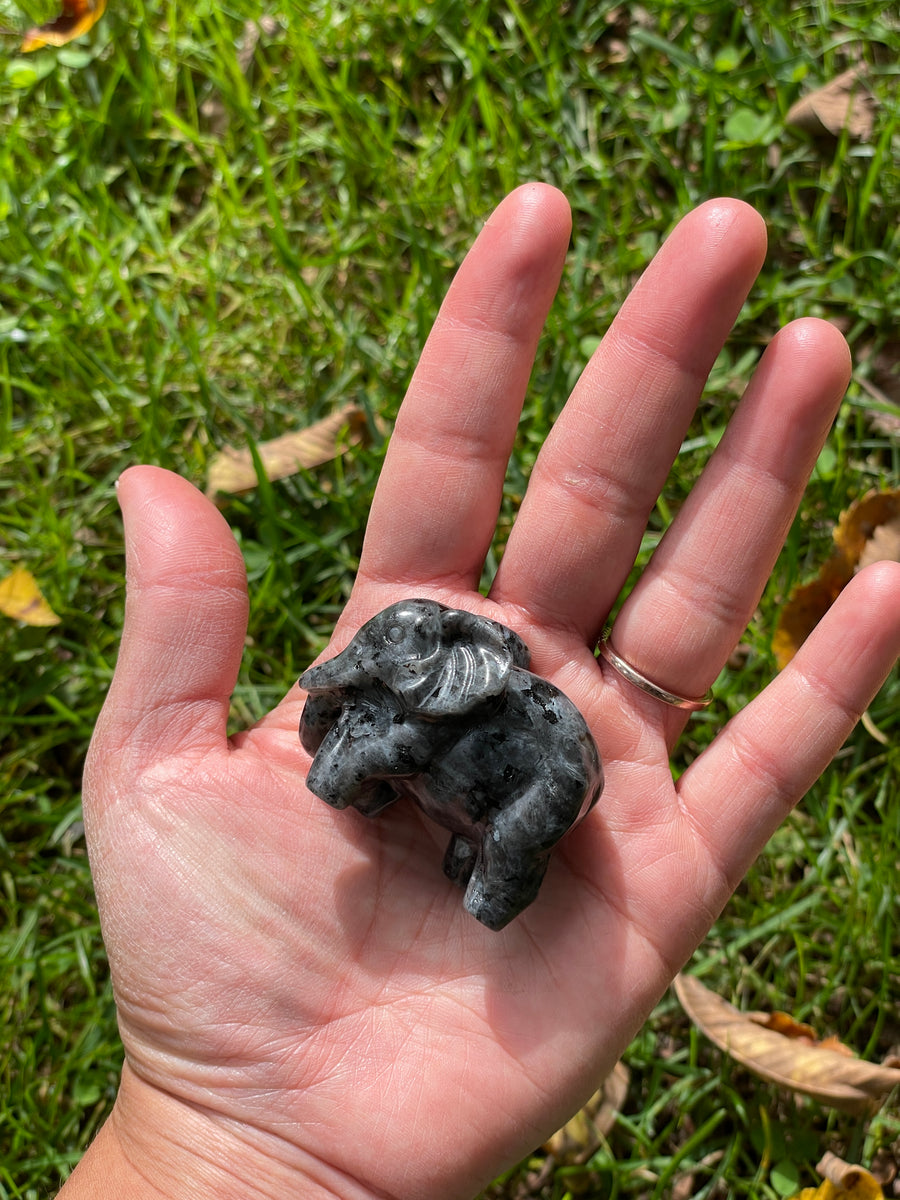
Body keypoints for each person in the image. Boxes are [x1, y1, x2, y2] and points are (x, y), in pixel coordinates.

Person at [60, 184, 900, 1200]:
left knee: (504, 853)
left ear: (447, 677)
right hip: (476, 767)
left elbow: (355, 766)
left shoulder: (463, 722)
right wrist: (232, 1136)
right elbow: (361, 732)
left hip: (541, 787)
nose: (360, 684)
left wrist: (357, 764)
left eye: (385, 673)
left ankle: (496, 883)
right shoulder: (416, 694)